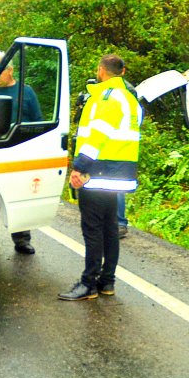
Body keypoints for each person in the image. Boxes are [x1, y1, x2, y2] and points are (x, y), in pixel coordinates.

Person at [59, 54, 142, 300]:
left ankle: (89, 284)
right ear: (122, 72)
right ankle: (107, 282)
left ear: (101, 71)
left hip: (97, 171)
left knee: (92, 229)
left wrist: (79, 166)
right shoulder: (130, 99)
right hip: (118, 173)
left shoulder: (106, 97)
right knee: (109, 229)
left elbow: (98, 134)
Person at [0, 50, 44, 254]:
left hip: (21, 150)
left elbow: (38, 120)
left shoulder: (26, 92)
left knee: (19, 195)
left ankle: (22, 239)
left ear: (10, 70)